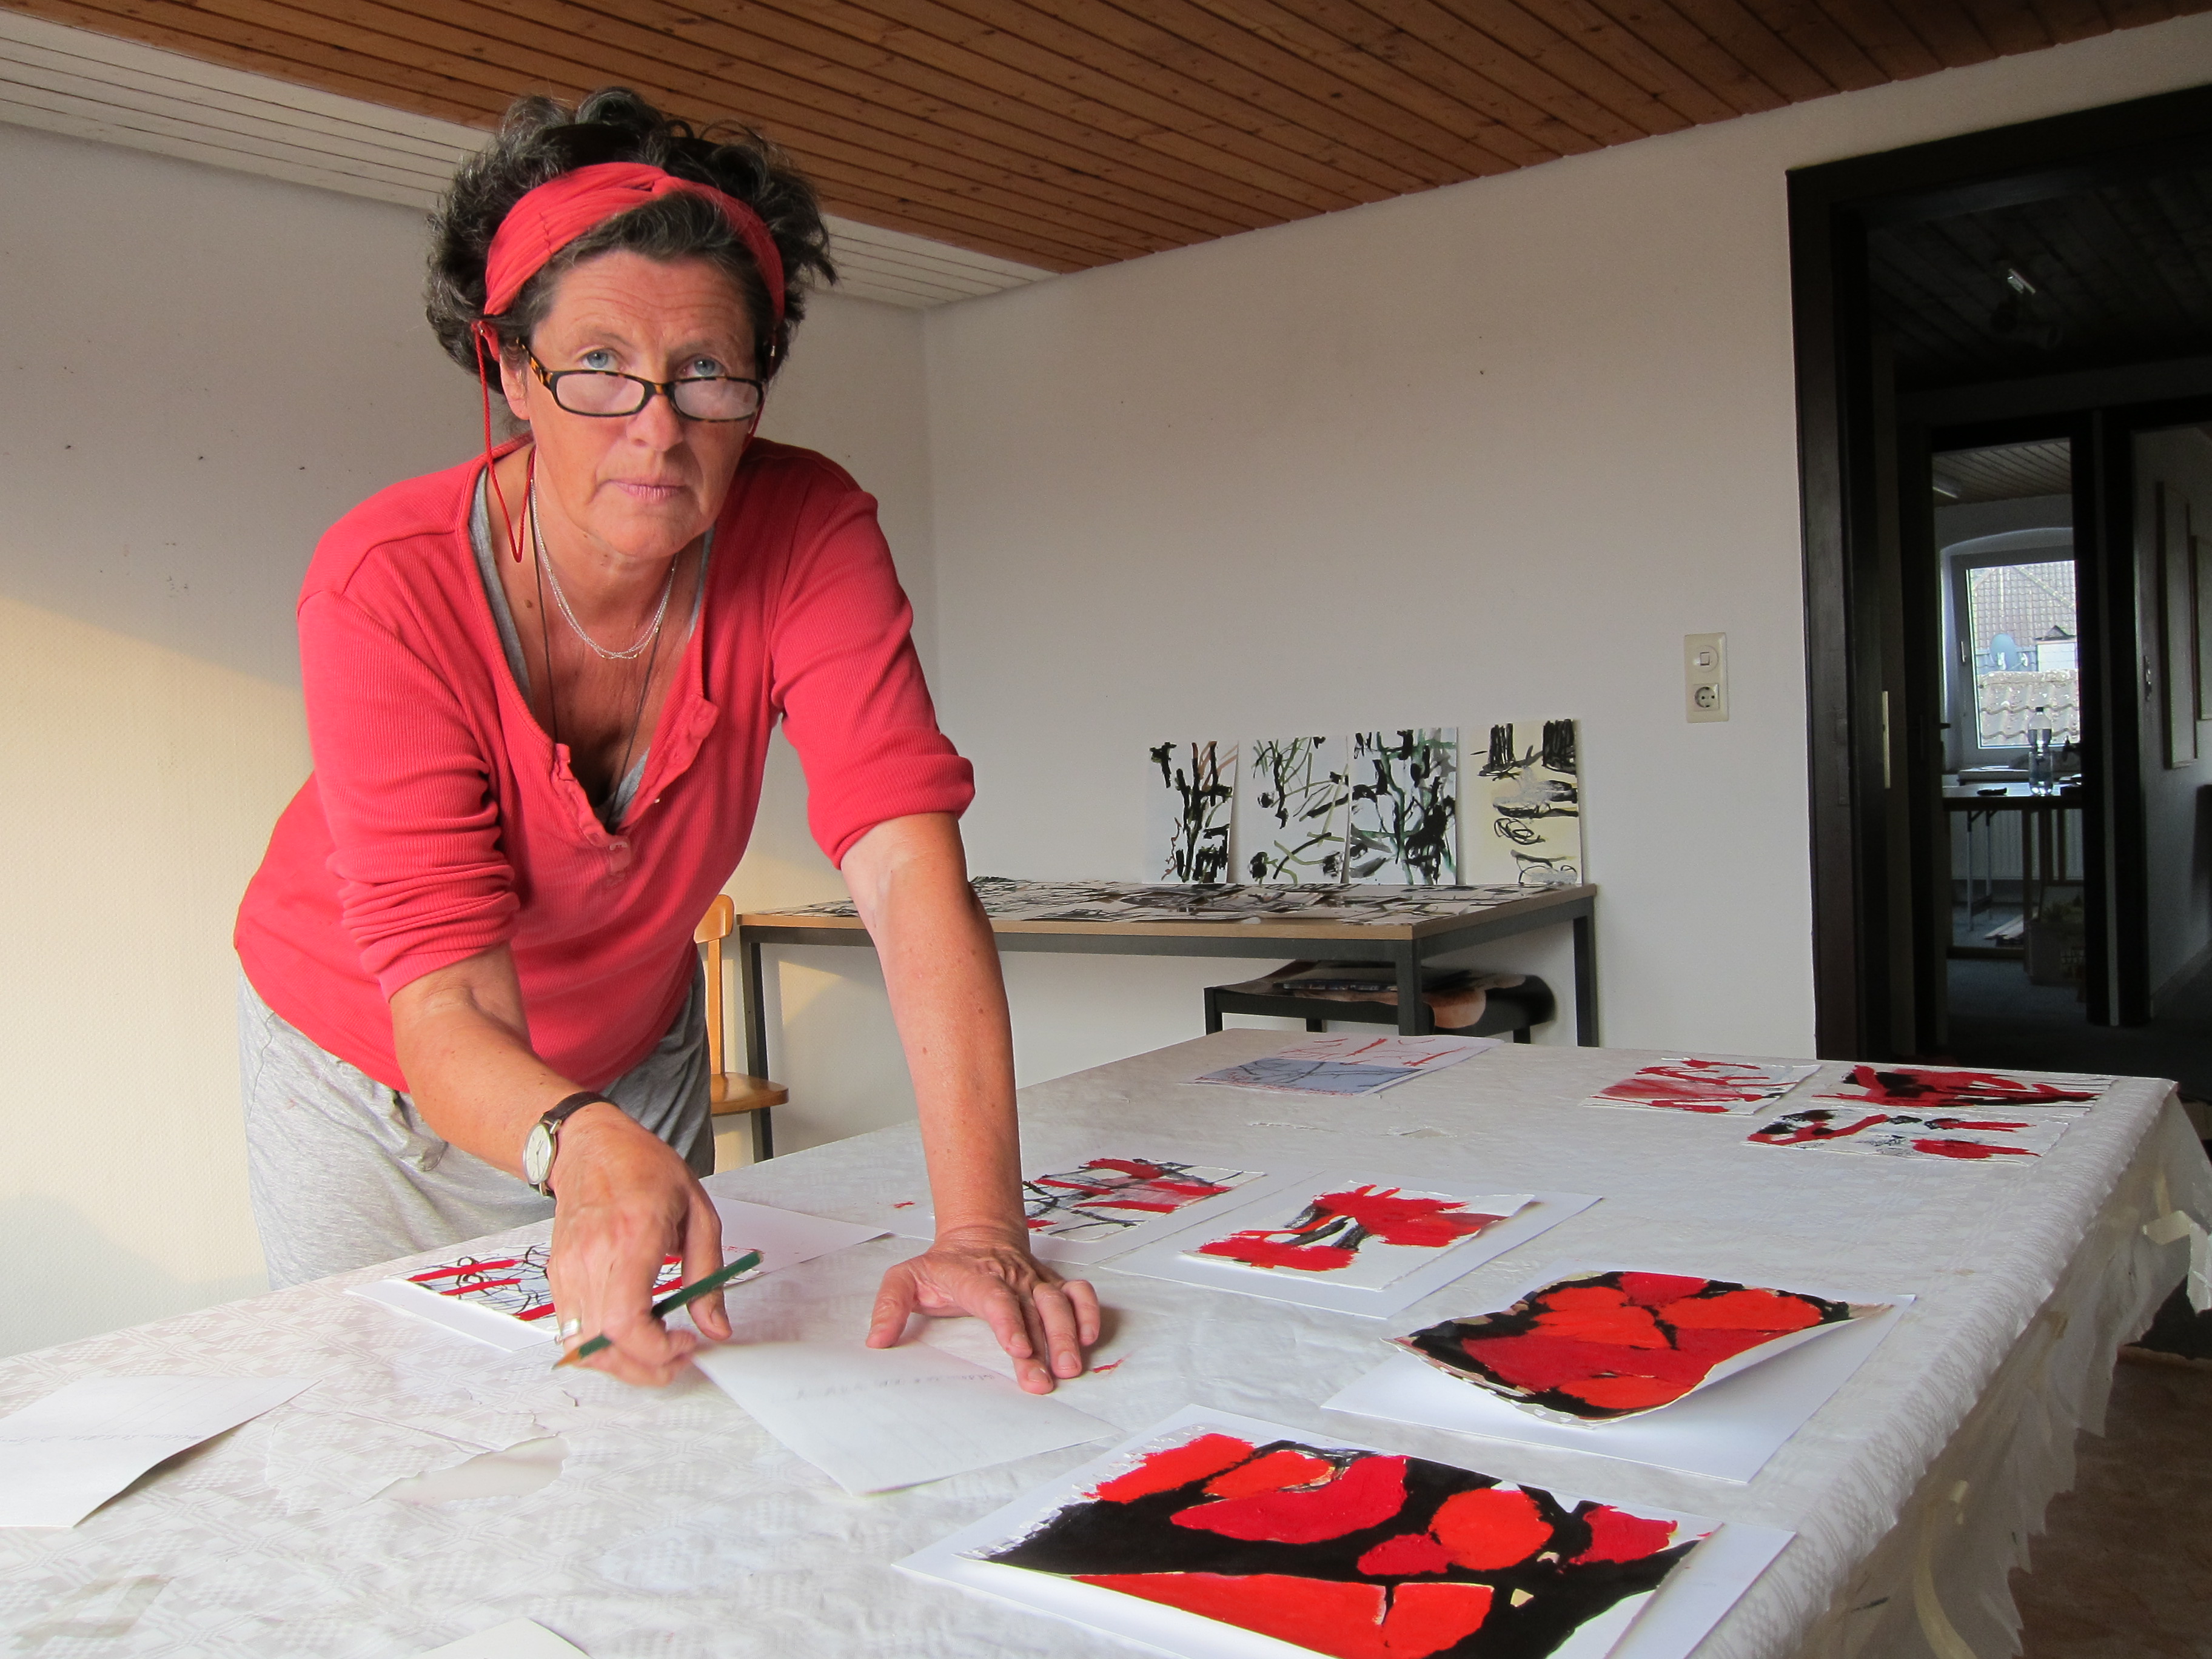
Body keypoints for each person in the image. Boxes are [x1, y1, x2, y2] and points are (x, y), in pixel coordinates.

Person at [233, 88, 1097, 1392]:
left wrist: (982, 1233)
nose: (657, 427)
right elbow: (450, 1001)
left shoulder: (807, 529)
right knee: (390, 1418)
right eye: (597, 366)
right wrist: (571, 1142)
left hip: (633, 1050)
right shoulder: (385, 580)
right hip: (372, 1073)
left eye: (706, 371)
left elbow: (908, 874)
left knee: (660, 1407)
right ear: (507, 369)